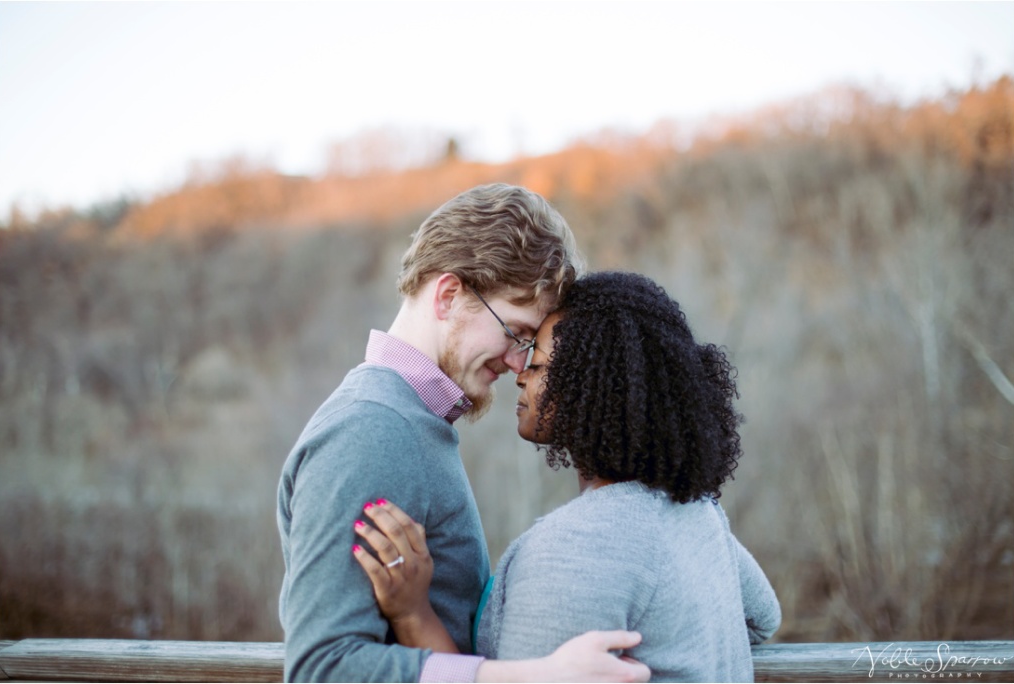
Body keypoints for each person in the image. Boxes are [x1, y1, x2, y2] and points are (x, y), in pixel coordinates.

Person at [277, 185, 651, 683]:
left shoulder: (412, 422)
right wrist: (533, 677)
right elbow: (322, 670)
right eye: (516, 332)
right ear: (450, 295)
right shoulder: (370, 430)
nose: (520, 362)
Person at [353, 270, 782, 682]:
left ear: (590, 387)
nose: (520, 375)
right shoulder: (695, 512)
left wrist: (413, 615)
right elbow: (763, 618)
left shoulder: (573, 552)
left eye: (537, 364)